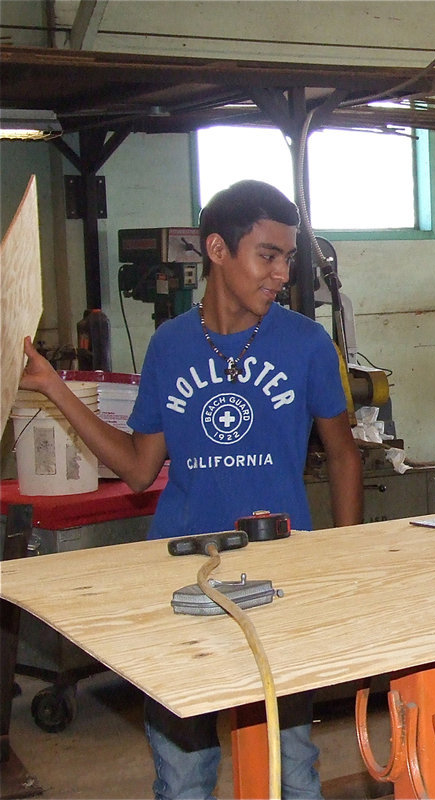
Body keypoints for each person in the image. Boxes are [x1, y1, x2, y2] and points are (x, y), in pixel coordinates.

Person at [20, 179, 363, 799]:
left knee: (291, 767)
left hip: (282, 575)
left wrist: (342, 557)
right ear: (217, 250)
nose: (281, 273)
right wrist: (55, 388)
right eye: (268, 255)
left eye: (288, 258)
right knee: (182, 774)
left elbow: (343, 454)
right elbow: (138, 468)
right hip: (182, 574)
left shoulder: (308, 344)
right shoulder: (170, 345)